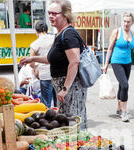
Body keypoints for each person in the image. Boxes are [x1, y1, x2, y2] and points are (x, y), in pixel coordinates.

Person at [19, 0, 87, 129]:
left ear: (65, 15)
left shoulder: (69, 35)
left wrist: (65, 88)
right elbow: (52, 59)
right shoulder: (60, 34)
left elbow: (74, 61)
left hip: (71, 88)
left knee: (73, 122)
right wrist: (32, 58)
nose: (50, 16)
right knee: (65, 122)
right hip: (63, 88)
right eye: (49, 13)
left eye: (54, 13)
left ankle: (78, 146)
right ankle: (70, 146)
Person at [102, 12, 134, 122]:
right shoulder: (116, 32)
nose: (126, 23)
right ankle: (124, 112)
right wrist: (106, 64)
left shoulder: (133, 33)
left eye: (128, 22)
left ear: (132, 22)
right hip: (116, 62)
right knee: (125, 85)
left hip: (128, 63)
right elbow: (110, 48)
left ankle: (119, 109)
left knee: (122, 85)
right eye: (124, 21)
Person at [29, 21, 56, 108]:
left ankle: (47, 120)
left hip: (45, 75)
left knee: (46, 103)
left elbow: (31, 63)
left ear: (36, 31)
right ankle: (60, 119)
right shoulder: (55, 39)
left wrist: (35, 69)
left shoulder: (35, 44)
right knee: (59, 102)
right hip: (58, 73)